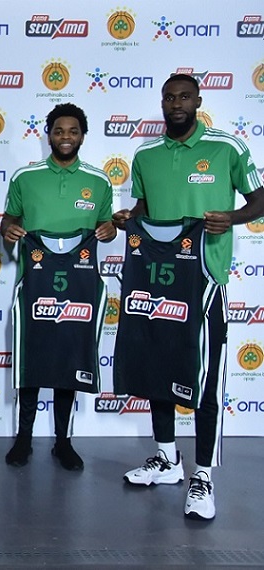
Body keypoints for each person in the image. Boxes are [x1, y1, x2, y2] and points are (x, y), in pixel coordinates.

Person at [112, 73, 263, 520]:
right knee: (157, 368)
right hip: (156, 280)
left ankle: (203, 475)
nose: (176, 104)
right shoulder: (146, 154)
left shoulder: (226, 147)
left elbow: (259, 200)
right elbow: (145, 209)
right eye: (169, 97)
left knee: (206, 378)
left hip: (205, 279)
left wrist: (231, 218)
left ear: (198, 101)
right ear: (162, 102)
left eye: (183, 97)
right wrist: (128, 217)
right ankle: (166, 458)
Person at [1, 103, 116, 471]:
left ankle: (63, 442)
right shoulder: (25, 177)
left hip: (79, 287)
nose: (66, 137)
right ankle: (23, 438)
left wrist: (110, 230)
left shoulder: (99, 181)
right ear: (48, 134)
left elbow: (106, 227)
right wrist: (8, 232)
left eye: (73, 131)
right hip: (35, 284)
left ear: (83, 136)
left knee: (70, 360)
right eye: (59, 131)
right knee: (32, 361)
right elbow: (8, 223)